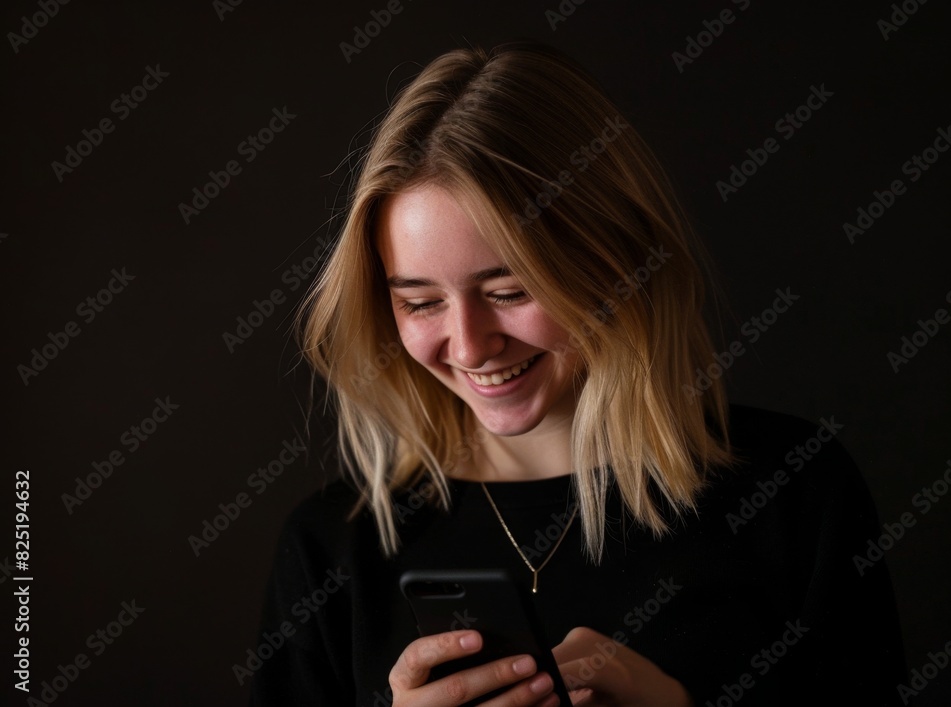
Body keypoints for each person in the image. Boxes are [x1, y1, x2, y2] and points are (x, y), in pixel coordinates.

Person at [248, 42, 907, 706]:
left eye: (510, 290)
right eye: (420, 302)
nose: (471, 345)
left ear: (613, 258)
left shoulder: (794, 493)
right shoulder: (331, 549)